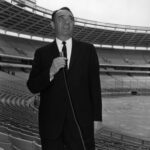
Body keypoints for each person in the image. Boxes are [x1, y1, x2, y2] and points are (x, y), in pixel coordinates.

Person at [27, 7, 102, 150]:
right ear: (53, 25)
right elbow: (32, 86)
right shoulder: (42, 53)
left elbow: (95, 87)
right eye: (61, 18)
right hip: (51, 126)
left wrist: (97, 118)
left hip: (81, 125)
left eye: (70, 19)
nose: (67, 21)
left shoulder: (88, 50)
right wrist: (50, 71)